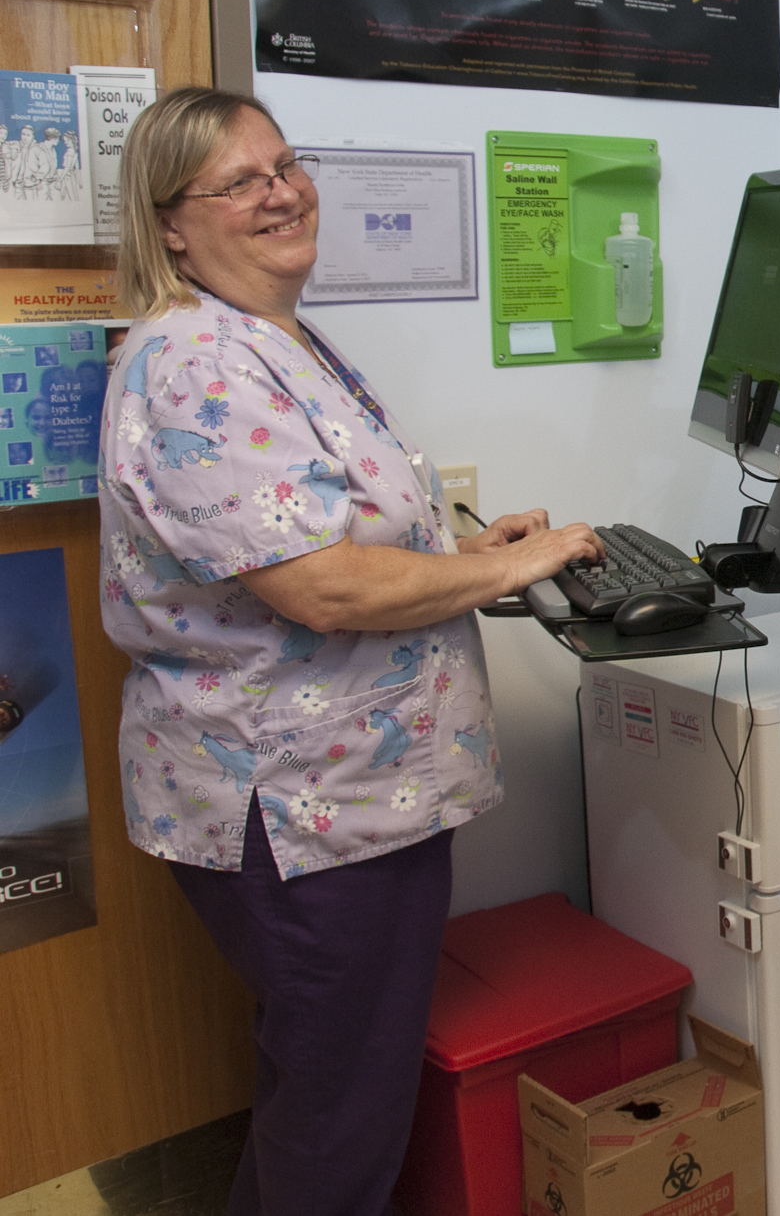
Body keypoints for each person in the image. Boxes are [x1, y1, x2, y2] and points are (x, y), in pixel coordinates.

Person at [96, 87, 602, 1216]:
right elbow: (319, 583)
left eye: (286, 164)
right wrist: (507, 570)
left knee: (318, 1090)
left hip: (351, 797)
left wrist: (465, 544)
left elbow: (324, 534)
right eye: (241, 181)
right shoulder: (197, 361)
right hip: (300, 808)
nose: (281, 192)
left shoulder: (274, 338)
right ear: (172, 221)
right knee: (339, 1117)